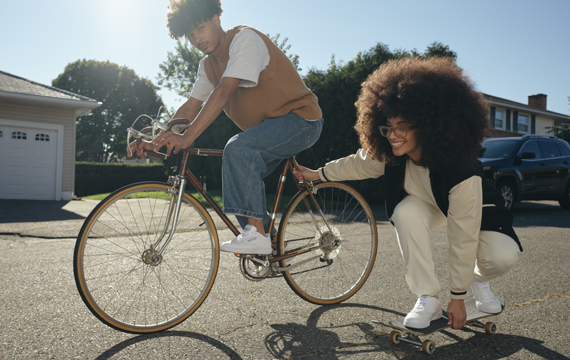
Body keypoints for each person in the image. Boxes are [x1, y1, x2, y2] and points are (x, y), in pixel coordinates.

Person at [293, 57, 522, 330]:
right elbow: (359, 162)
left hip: (476, 209)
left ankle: (479, 281)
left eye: (402, 126)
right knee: (405, 212)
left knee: (502, 256)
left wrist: (458, 296)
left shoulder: (461, 171)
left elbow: (463, 236)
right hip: (430, 206)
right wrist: (317, 174)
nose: (392, 135)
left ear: (427, 124)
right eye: (388, 126)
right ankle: (428, 297)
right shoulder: (392, 152)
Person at [131, 0, 323, 255]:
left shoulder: (245, 40)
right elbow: (190, 108)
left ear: (216, 20)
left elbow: (223, 91)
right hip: (267, 130)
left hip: (302, 121)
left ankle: (257, 237)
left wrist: (187, 137)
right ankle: (271, 241)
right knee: (238, 167)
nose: (196, 39)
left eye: (200, 28)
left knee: (237, 149)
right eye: (190, 35)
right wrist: (157, 139)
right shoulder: (207, 65)